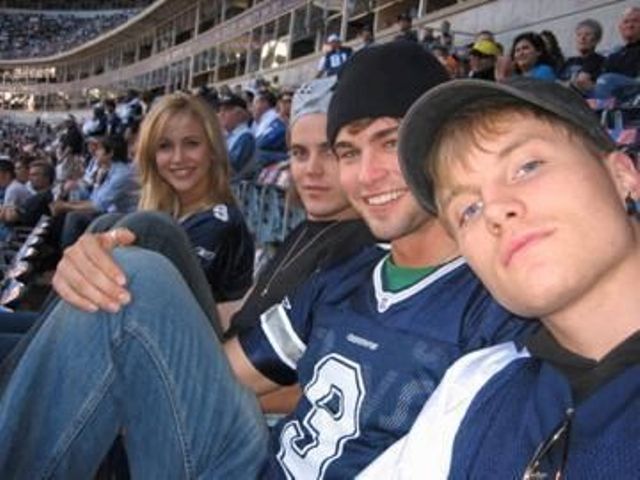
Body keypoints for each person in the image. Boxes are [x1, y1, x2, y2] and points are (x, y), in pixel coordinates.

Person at [0, 44, 530, 478]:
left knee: (140, 265)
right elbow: (221, 373)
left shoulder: (501, 306)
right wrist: (107, 297)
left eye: (390, 143)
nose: (366, 175)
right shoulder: (346, 276)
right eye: (348, 151)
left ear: (443, 144)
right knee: (133, 257)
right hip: (255, 462)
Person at [360, 77, 639, 478]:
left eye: (527, 167)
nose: (494, 210)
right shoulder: (474, 388)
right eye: (468, 210)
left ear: (622, 175)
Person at [594, 6, 640, 99]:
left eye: (635, 21)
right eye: (626, 22)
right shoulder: (614, 54)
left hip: (635, 94)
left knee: (606, 80)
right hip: (615, 96)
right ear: (620, 28)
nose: (630, 25)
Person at [559, 18, 605, 95]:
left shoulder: (602, 62)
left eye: (587, 34)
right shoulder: (569, 61)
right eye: (579, 35)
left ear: (597, 40)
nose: (582, 38)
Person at [217, 93, 255, 177]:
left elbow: (230, 168)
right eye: (220, 110)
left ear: (240, 114)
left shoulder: (245, 137)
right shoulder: (227, 134)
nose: (221, 114)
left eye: (226, 110)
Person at [252, 88, 288, 170]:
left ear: (264, 103)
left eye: (255, 102)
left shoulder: (274, 120)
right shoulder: (263, 121)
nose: (252, 107)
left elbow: (260, 145)